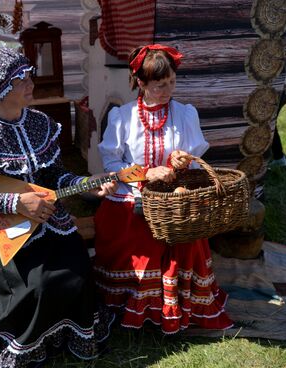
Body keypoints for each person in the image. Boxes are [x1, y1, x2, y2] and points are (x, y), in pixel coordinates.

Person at [0, 47, 117, 368]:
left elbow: (53, 175)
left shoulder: (39, 123)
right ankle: (24, 338)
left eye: (28, 76)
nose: (30, 83)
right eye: (20, 79)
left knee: (77, 269)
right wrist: (15, 202)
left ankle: (66, 334)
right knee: (40, 284)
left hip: (44, 220)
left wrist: (86, 182)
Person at [93, 44, 233, 334]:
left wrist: (182, 162)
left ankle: (176, 304)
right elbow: (112, 165)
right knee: (131, 232)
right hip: (132, 196)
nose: (168, 90)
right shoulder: (123, 117)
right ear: (141, 83)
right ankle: (132, 304)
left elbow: (196, 166)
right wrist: (145, 173)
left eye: (172, 82)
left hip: (174, 200)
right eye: (159, 85)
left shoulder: (185, 114)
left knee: (183, 233)